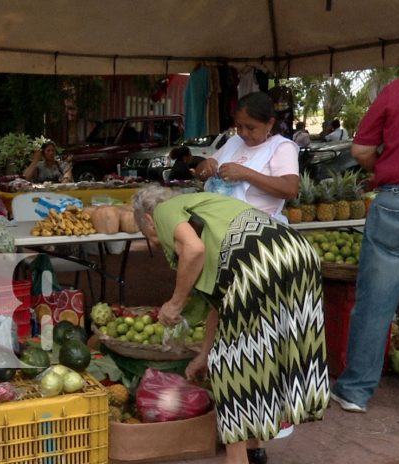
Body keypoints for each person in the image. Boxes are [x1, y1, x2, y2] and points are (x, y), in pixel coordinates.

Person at [132, 185, 329, 464]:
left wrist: (175, 303)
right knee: (261, 354)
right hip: (297, 255)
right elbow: (221, 307)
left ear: (148, 220)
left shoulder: (163, 210)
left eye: (149, 237)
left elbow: (194, 248)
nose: (155, 243)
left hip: (257, 262)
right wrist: (203, 355)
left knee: (232, 365)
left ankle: (236, 459)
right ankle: (254, 450)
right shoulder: (205, 207)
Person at [330, 78, 399, 414]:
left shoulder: (395, 90)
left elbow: (360, 151)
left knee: (376, 302)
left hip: (395, 203)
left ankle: (355, 391)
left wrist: (382, 167)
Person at [195, 92, 299, 223]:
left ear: (270, 123)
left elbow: (290, 189)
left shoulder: (281, 147)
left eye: (250, 127)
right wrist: (205, 166)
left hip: (257, 228)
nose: (243, 133)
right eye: (239, 126)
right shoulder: (234, 142)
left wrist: (246, 173)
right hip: (218, 221)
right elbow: (200, 173)